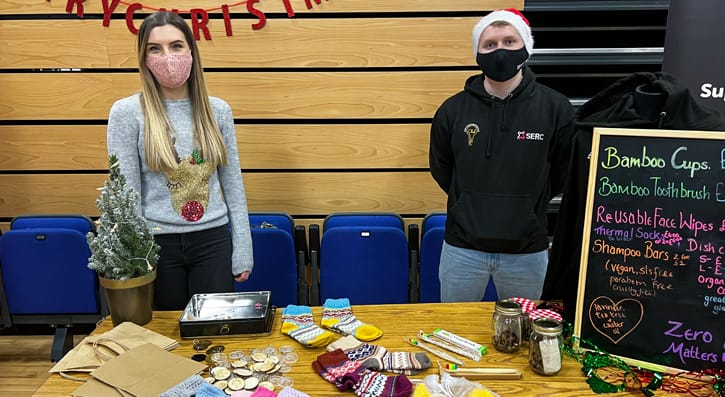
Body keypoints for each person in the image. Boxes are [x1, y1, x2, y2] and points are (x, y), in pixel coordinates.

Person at [107, 11, 254, 310]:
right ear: (144, 57)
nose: (167, 57)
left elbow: (233, 186)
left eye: (176, 46)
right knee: (164, 338)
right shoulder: (126, 113)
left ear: (191, 51)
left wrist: (243, 249)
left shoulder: (218, 110)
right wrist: (131, 258)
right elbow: (126, 195)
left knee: (213, 335)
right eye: (155, 48)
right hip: (156, 246)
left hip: (212, 242)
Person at [429, 8, 575, 302]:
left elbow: (563, 171)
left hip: (527, 251)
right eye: (490, 44)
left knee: (522, 337)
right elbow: (442, 168)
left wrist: (526, 206)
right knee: (457, 334)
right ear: (478, 52)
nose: (500, 51)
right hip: (462, 249)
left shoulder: (555, 108)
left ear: (526, 47)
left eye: (510, 42)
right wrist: (470, 201)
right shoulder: (452, 110)